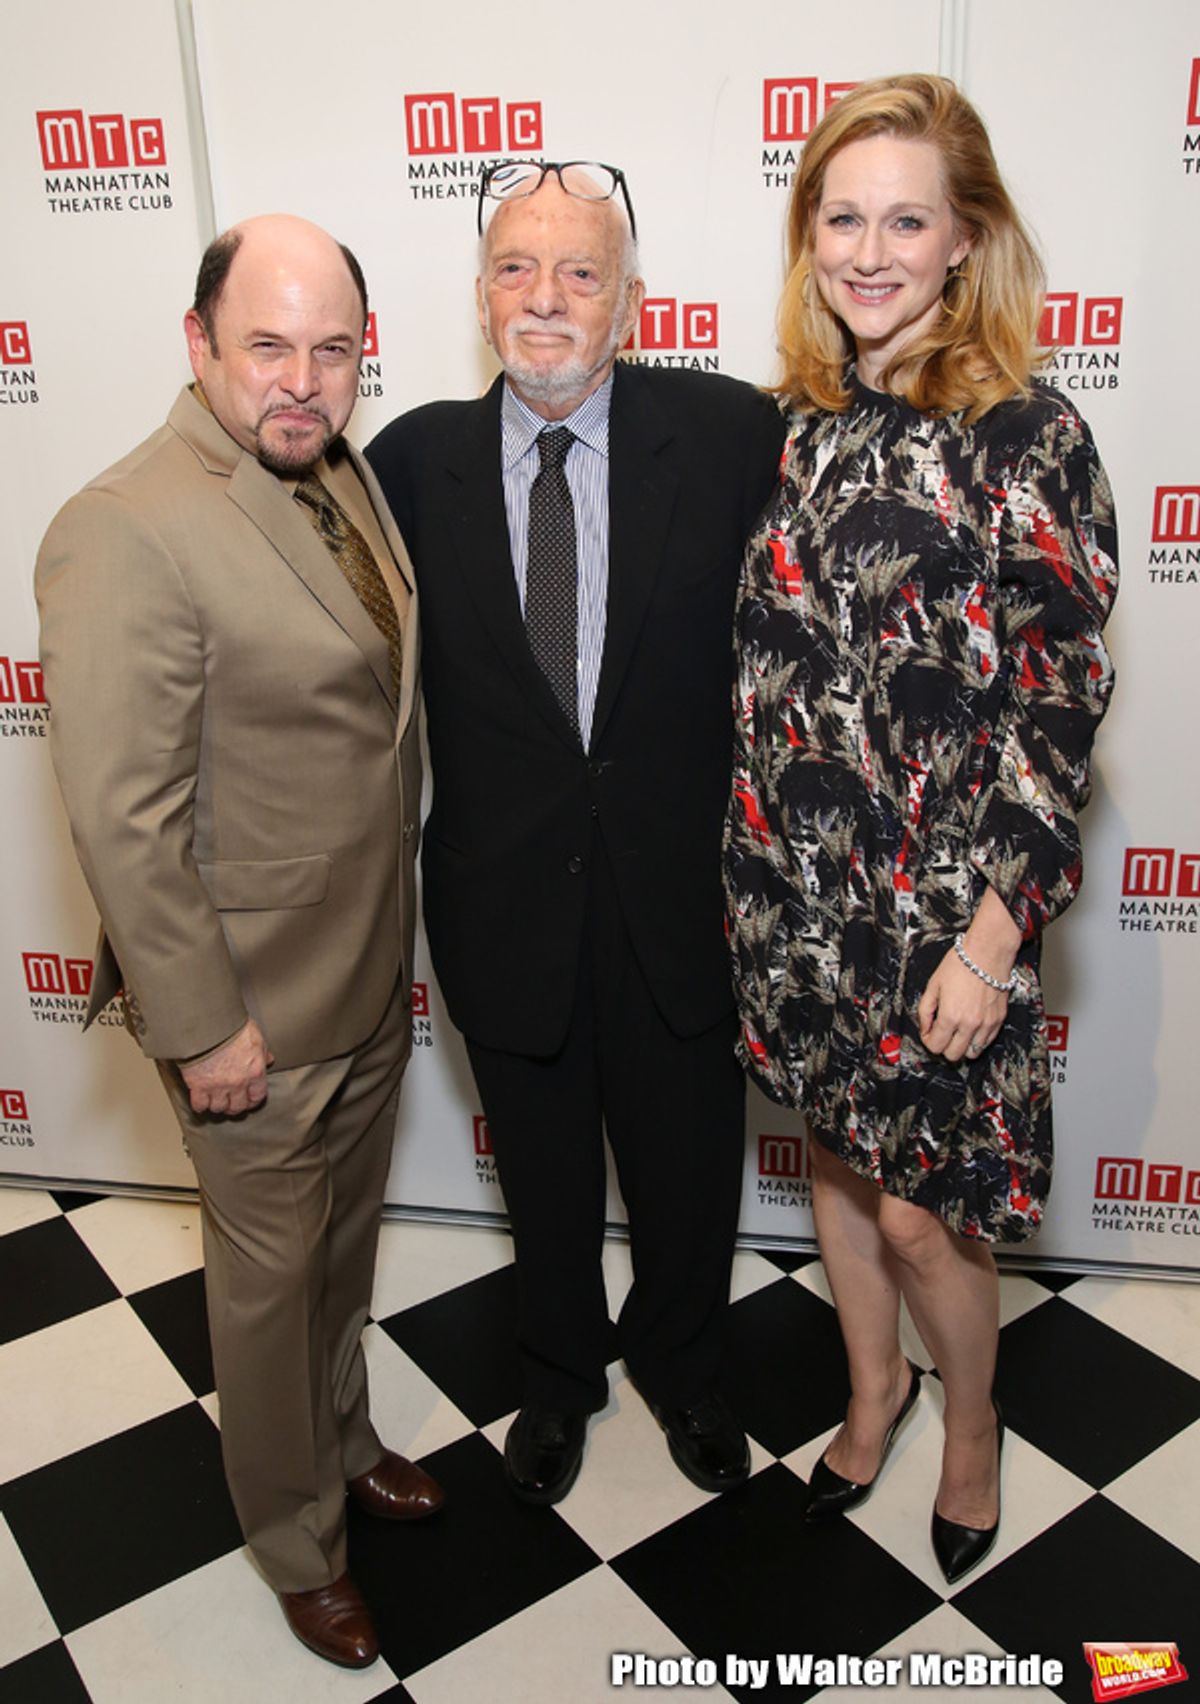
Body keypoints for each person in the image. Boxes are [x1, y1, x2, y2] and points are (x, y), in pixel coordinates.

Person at [724, 76, 1117, 1582]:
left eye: (906, 219)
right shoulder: (786, 429)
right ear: (807, 232)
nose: (869, 251)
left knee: (921, 1221)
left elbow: (1058, 712)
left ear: (965, 241)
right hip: (785, 896)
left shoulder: (1033, 437)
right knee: (833, 1167)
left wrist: (998, 944)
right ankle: (872, 1392)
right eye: (842, 217)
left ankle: (971, 1423)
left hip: (945, 924)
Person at [36, 214, 441, 1670]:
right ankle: (296, 1541)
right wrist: (203, 1023)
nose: (302, 380)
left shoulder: (339, 481)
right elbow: (123, 814)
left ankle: (337, 1449)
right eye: (266, 345)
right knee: (269, 1293)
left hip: (363, 974)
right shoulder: (127, 521)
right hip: (250, 1015)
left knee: (339, 1258)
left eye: (332, 351)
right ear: (198, 343)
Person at [368, 161, 785, 1503]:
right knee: (540, 1178)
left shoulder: (730, 435)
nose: (545, 300)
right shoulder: (408, 464)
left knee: (687, 1173)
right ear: (483, 291)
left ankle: (685, 1368)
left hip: (682, 903)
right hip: (501, 903)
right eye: (515, 268)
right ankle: (558, 1378)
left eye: (580, 273)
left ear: (631, 301)